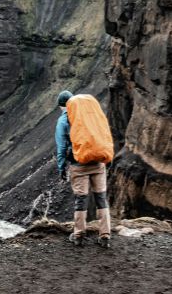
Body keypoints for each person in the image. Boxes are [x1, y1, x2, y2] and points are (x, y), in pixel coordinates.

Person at [55, 90, 112, 247]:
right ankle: (105, 235)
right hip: (98, 164)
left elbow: (61, 148)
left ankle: (79, 234)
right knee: (101, 197)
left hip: (79, 165)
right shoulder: (91, 115)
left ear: (62, 106)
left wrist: (61, 168)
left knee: (81, 199)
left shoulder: (63, 121)